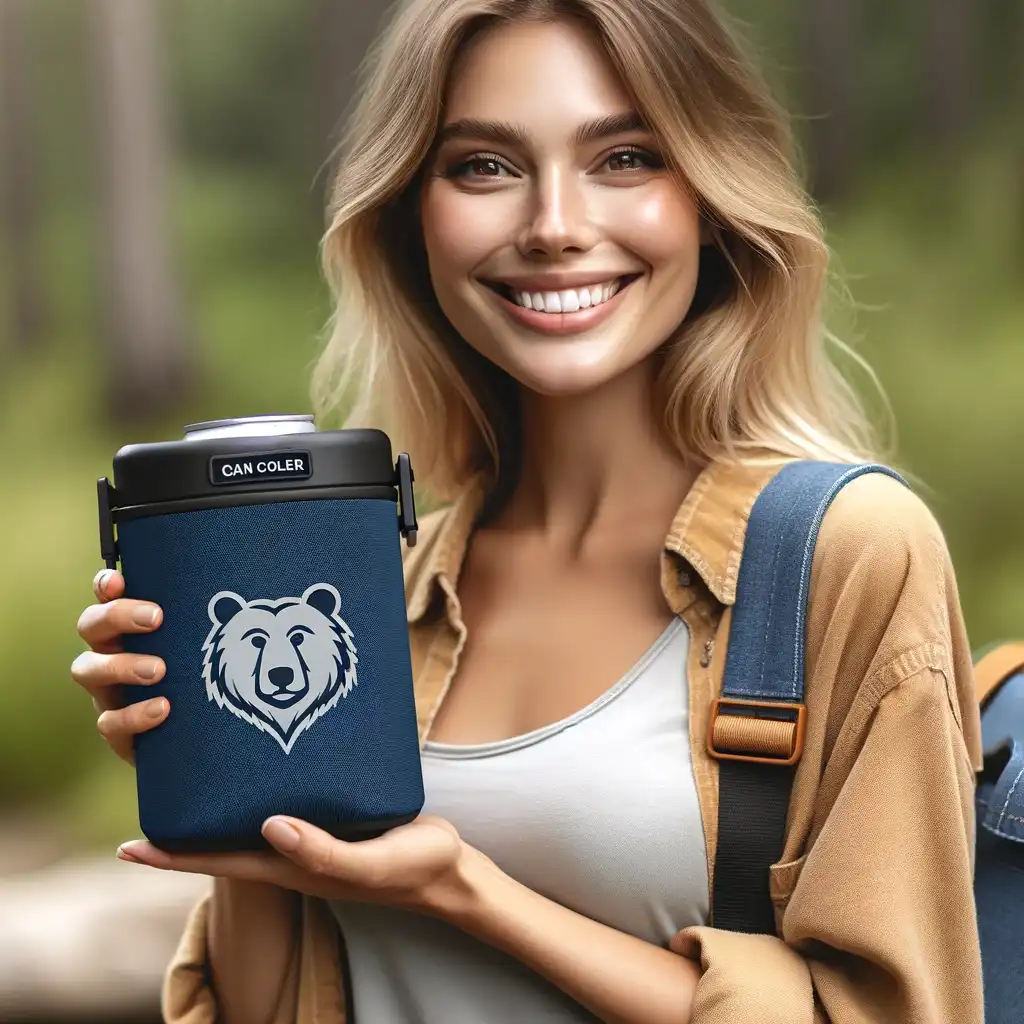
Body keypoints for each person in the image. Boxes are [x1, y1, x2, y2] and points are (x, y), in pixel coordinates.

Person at [70, 1, 984, 1021]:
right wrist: (223, 777)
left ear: (712, 196)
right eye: (484, 167)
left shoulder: (842, 557)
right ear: (411, 213)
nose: (554, 226)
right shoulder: (389, 582)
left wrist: (463, 889)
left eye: (626, 157)